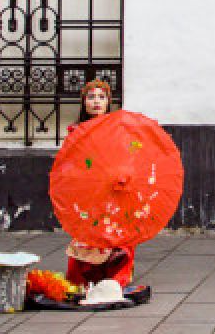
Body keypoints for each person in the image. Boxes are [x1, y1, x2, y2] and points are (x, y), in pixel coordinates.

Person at [63, 79, 136, 288]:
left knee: (116, 233)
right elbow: (69, 164)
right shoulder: (75, 132)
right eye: (91, 97)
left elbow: (125, 157)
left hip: (113, 188)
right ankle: (85, 276)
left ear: (108, 103)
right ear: (84, 102)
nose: (96, 102)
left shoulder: (116, 130)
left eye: (102, 97)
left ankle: (117, 275)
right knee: (87, 233)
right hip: (87, 190)